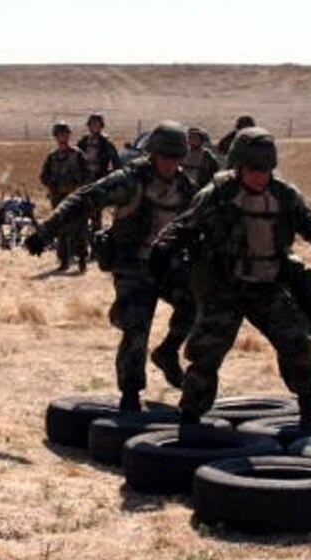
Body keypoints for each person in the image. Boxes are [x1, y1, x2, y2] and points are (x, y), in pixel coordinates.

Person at [151, 127, 311, 429]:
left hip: (269, 288)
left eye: (266, 170)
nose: (260, 176)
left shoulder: (284, 195)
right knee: (205, 355)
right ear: (239, 166)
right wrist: (164, 247)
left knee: (297, 345)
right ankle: (190, 420)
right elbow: (185, 224)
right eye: (254, 170)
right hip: (225, 288)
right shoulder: (217, 194)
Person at [25, 121, 198, 411]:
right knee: (136, 326)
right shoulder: (131, 180)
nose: (171, 164)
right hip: (132, 265)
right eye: (166, 158)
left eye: (176, 159)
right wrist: (47, 230)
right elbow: (85, 198)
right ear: (153, 154)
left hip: (166, 264)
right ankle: (130, 393)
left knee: (194, 304)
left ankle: (167, 353)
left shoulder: (185, 187)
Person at [38, 120, 90, 271]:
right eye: (60, 134)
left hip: (75, 198)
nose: (63, 137)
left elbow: (87, 175)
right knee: (61, 230)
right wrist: (52, 184)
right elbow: (43, 176)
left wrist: (78, 186)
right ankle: (63, 260)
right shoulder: (52, 157)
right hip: (58, 199)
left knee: (79, 229)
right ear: (56, 136)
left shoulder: (78, 154)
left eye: (65, 133)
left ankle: (81, 259)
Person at [77, 112, 121, 236]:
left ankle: (96, 246)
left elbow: (117, 164)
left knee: (96, 215)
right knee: (81, 214)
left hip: (99, 183)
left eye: (97, 124)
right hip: (84, 183)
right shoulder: (83, 142)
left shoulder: (106, 144)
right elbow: (75, 160)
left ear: (101, 126)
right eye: (92, 124)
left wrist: (108, 178)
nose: (94, 126)